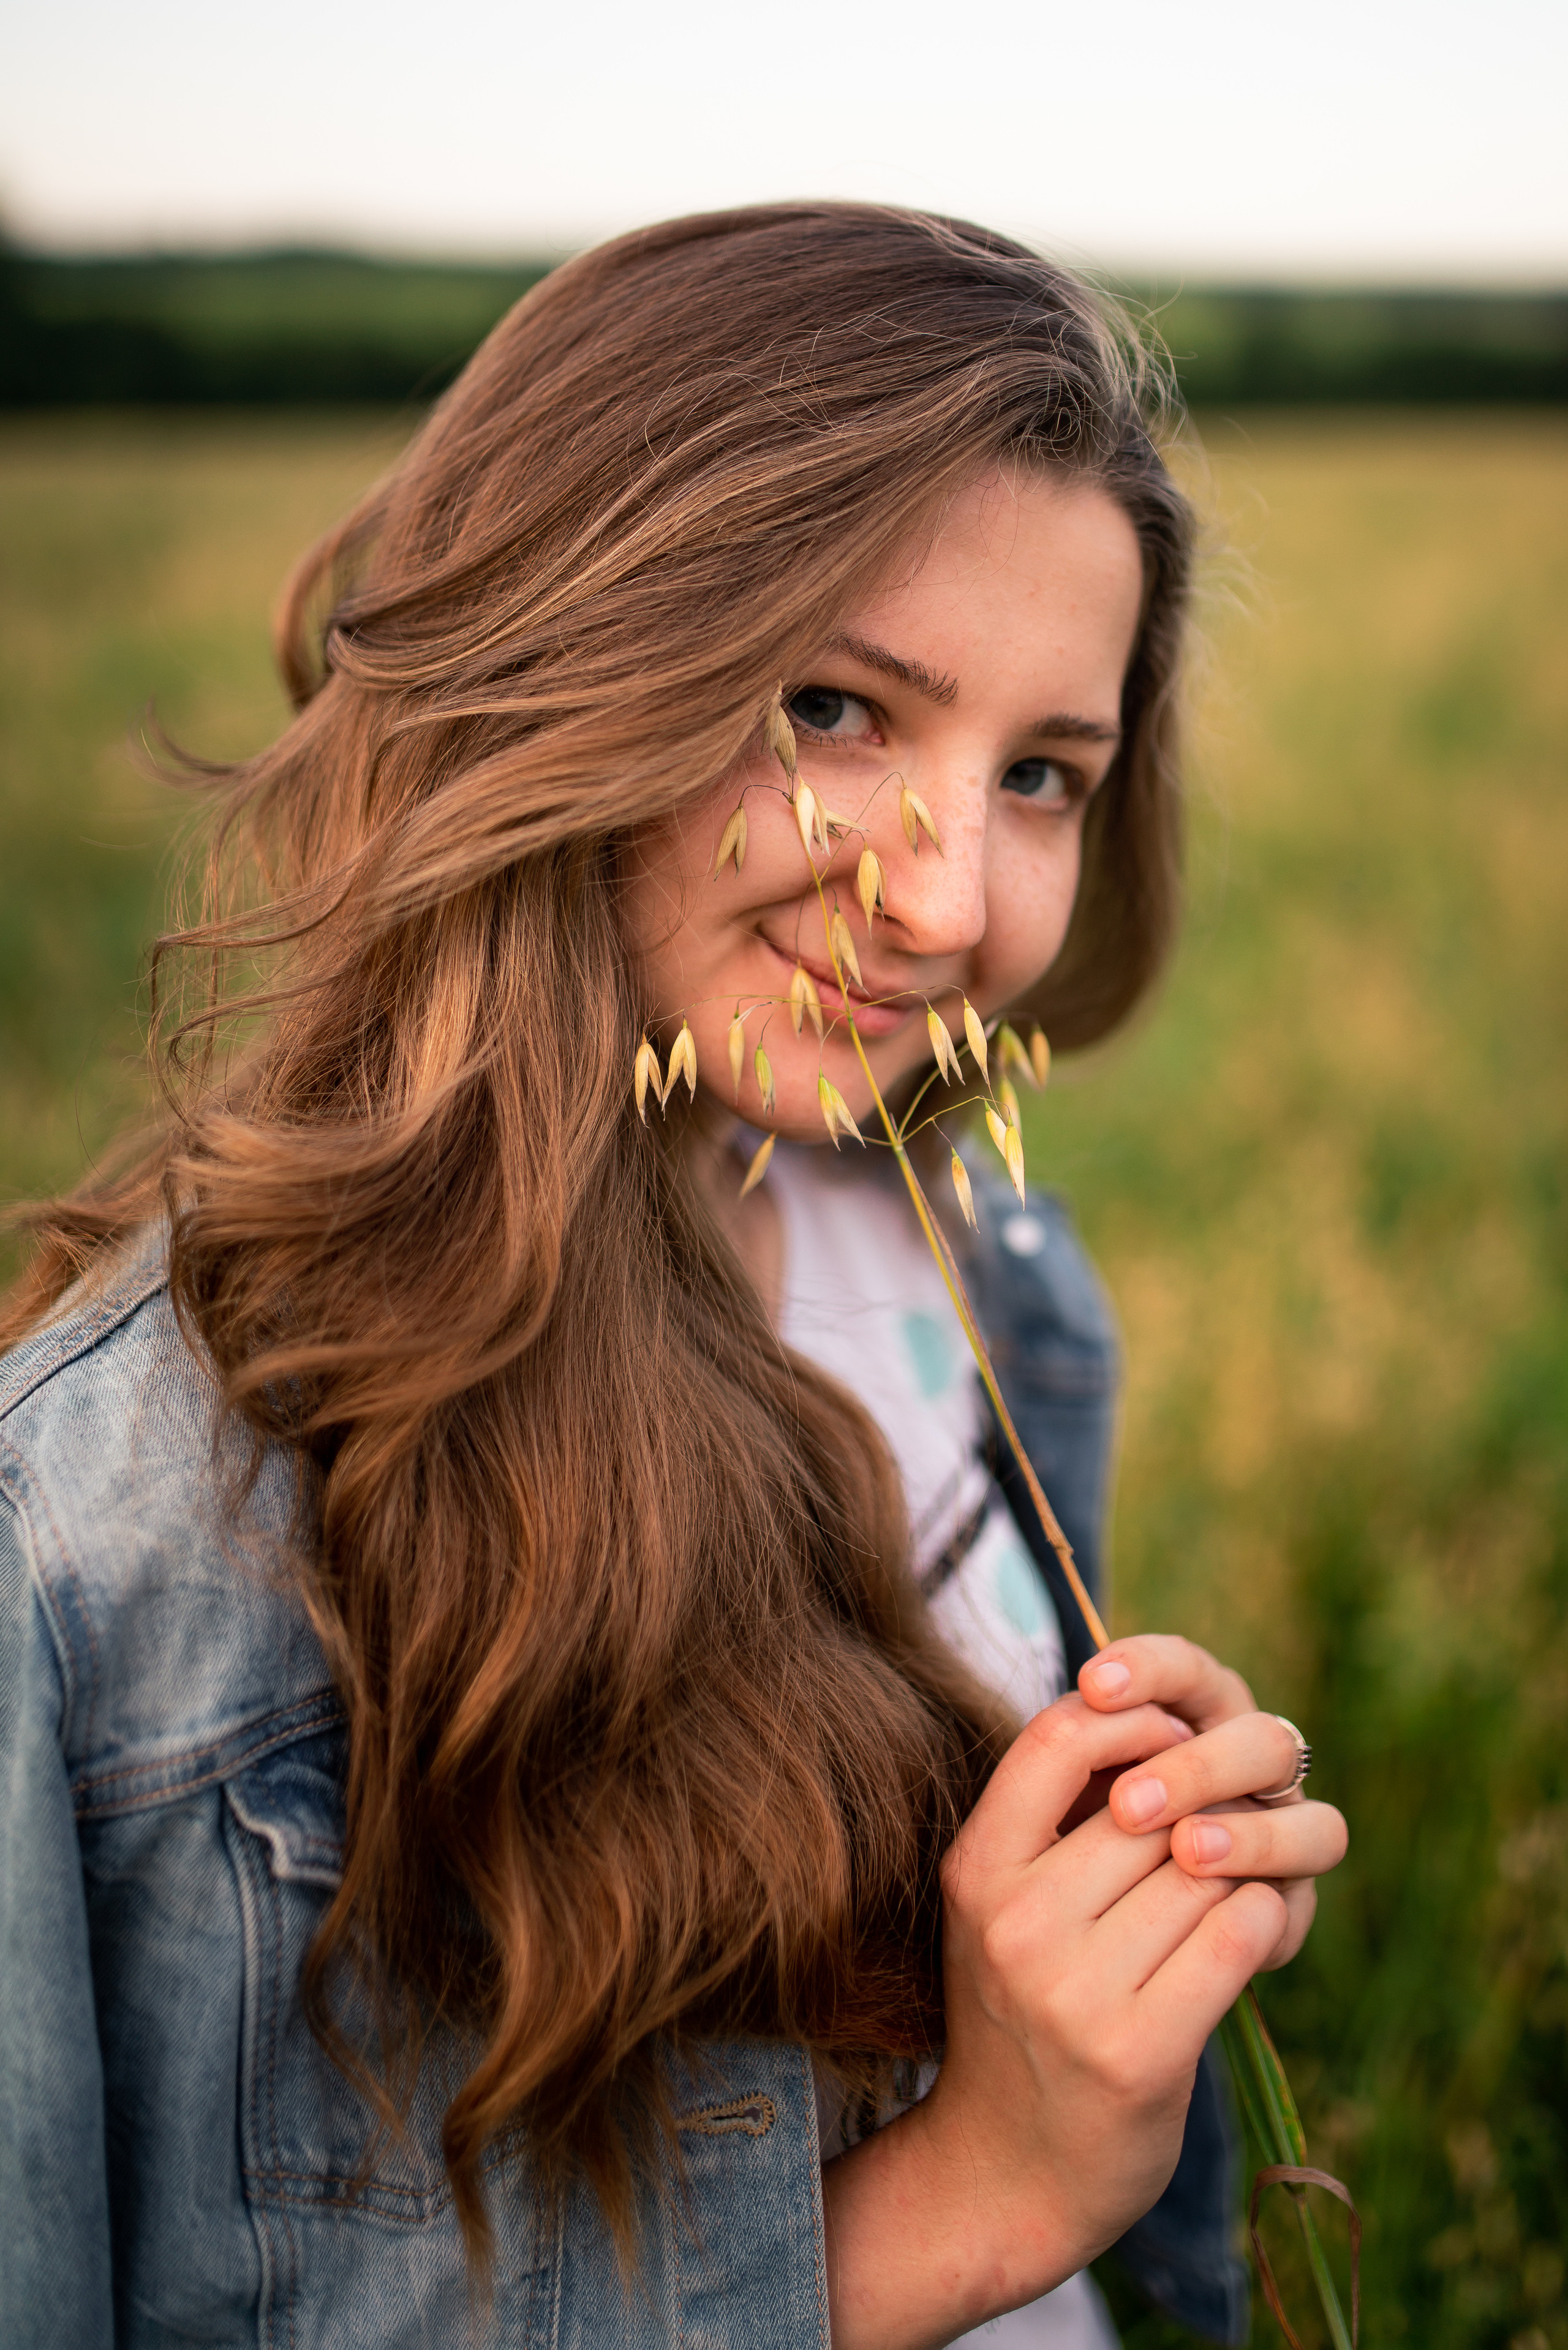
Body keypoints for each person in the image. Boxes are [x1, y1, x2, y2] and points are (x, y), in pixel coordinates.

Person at [0, 203, 1347, 2350]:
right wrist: (982, 2193)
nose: (945, 897)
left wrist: (1125, 1891)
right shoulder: (115, 1546)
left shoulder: (982, 1277)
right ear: (567, 656)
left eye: (1039, 775)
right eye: (832, 707)